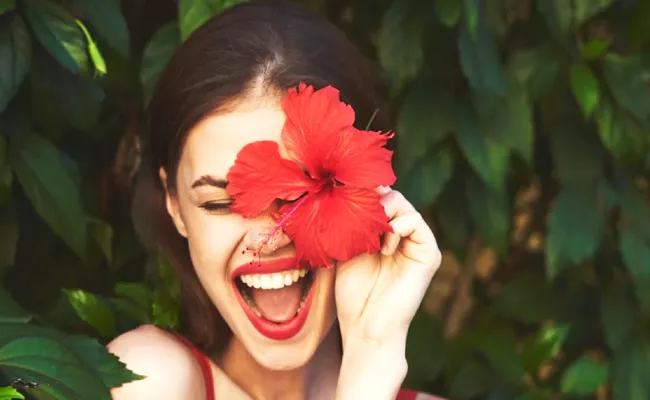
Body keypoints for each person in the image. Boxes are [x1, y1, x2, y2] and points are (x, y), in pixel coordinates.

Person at [107, 1, 443, 399]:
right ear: (175, 206)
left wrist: (371, 353)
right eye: (219, 203)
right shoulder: (150, 378)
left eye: (301, 194)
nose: (271, 235)